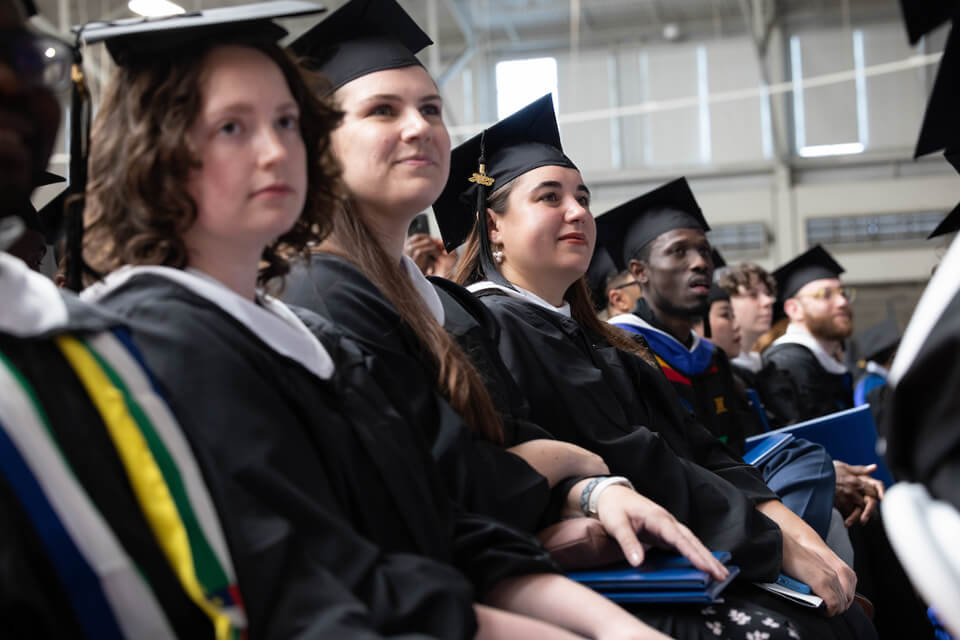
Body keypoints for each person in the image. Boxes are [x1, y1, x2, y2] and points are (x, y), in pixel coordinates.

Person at [77, 6, 691, 639]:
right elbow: (306, 591)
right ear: (157, 152)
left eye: (288, 121)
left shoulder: (312, 342)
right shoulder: (159, 340)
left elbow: (437, 525)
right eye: (233, 126)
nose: (277, 149)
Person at [438, 94, 882, 639]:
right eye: (549, 197)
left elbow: (698, 450)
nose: (577, 211)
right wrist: (774, 544)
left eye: (583, 197)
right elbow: (638, 459)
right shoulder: (490, 326)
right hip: (620, 574)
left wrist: (785, 523)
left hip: (687, 544)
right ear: (494, 228)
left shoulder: (595, 341)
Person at [1, 0, 247, 636]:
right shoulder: (148, 328)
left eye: (21, 52)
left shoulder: (87, 344)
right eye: (230, 129)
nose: (10, 79)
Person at [595, 181, 840, 543]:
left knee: (808, 460)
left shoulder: (710, 357)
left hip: (732, 491)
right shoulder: (617, 348)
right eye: (679, 251)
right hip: (672, 505)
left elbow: (735, 447)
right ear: (640, 270)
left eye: (704, 251)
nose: (700, 263)